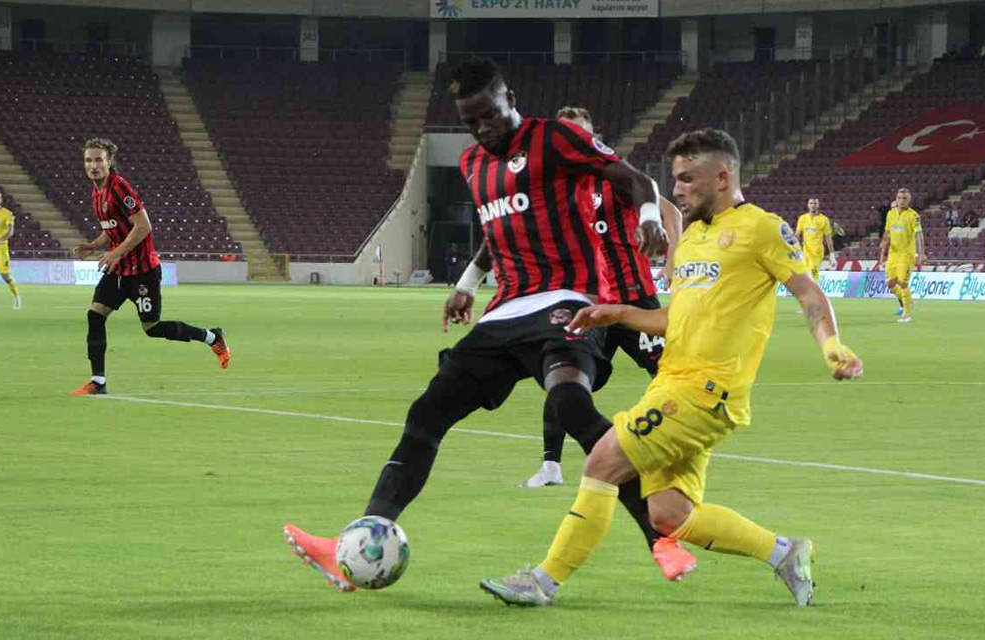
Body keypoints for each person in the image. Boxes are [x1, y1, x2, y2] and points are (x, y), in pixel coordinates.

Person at [280, 57, 698, 591]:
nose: (482, 128)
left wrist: (645, 220)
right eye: (470, 120)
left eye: (489, 115)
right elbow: (497, 230)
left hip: (566, 300)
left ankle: (659, 536)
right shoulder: (475, 163)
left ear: (510, 99)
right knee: (427, 413)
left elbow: (634, 178)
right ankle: (362, 540)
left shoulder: (555, 139)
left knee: (570, 403)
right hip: (504, 313)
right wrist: (467, 283)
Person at [477, 128, 863, 608]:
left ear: (723, 177)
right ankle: (785, 552)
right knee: (668, 515)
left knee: (601, 461)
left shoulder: (761, 228)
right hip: (676, 382)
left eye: (687, 179)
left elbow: (809, 293)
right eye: (673, 179)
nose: (676, 189)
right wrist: (615, 313)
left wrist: (831, 345)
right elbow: (675, 319)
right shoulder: (693, 239)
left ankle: (542, 581)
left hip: (705, 391)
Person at [521, 106, 684, 492]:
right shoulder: (554, 186)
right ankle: (550, 467)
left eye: (581, 134)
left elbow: (670, 209)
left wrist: (672, 258)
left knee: (673, 375)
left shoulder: (617, 176)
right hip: (590, 304)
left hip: (635, 299)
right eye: (566, 135)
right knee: (565, 378)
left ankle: (677, 452)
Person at [68, 138, 229, 396]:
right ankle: (98, 382)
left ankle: (212, 337)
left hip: (142, 271)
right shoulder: (96, 193)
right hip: (119, 270)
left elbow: (143, 226)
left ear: (109, 161)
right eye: (89, 160)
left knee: (152, 328)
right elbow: (112, 231)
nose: (93, 165)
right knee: (95, 315)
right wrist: (93, 246)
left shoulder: (119, 188)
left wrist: (116, 253)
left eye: (99, 159)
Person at [879, 187, 925, 323]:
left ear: (909, 200)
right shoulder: (890, 214)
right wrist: (882, 253)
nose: (901, 201)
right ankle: (908, 300)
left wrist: (921, 254)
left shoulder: (914, 216)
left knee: (903, 283)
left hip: (906, 254)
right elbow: (887, 234)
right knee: (890, 283)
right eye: (899, 198)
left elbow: (919, 235)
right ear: (896, 199)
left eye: (904, 198)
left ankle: (907, 314)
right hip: (893, 255)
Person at [795, 197, 835, 282]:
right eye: (811, 203)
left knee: (813, 275)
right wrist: (794, 249)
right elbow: (797, 235)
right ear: (808, 205)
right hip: (805, 253)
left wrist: (832, 254)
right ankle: (809, 294)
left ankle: (813, 294)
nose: (813, 205)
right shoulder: (802, 218)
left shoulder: (824, 219)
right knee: (806, 277)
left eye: (815, 203)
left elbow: (828, 238)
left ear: (818, 205)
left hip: (817, 253)